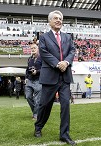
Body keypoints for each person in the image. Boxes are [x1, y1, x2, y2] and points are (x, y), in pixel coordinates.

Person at [34, 10, 76, 146]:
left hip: (65, 77)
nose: (59, 20)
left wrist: (66, 62)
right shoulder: (44, 37)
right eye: (56, 18)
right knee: (45, 105)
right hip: (50, 76)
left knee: (65, 106)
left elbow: (72, 51)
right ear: (50, 21)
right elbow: (44, 53)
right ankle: (38, 127)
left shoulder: (68, 37)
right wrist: (58, 64)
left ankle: (64, 134)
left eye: (60, 19)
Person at [25, 43, 42, 120]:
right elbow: (27, 69)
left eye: (34, 48)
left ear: (38, 48)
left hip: (39, 80)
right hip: (30, 80)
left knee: (37, 99)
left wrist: (37, 72)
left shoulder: (42, 58)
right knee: (28, 96)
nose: (33, 49)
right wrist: (26, 77)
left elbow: (45, 69)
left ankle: (36, 114)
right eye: (31, 48)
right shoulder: (29, 59)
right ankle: (35, 111)